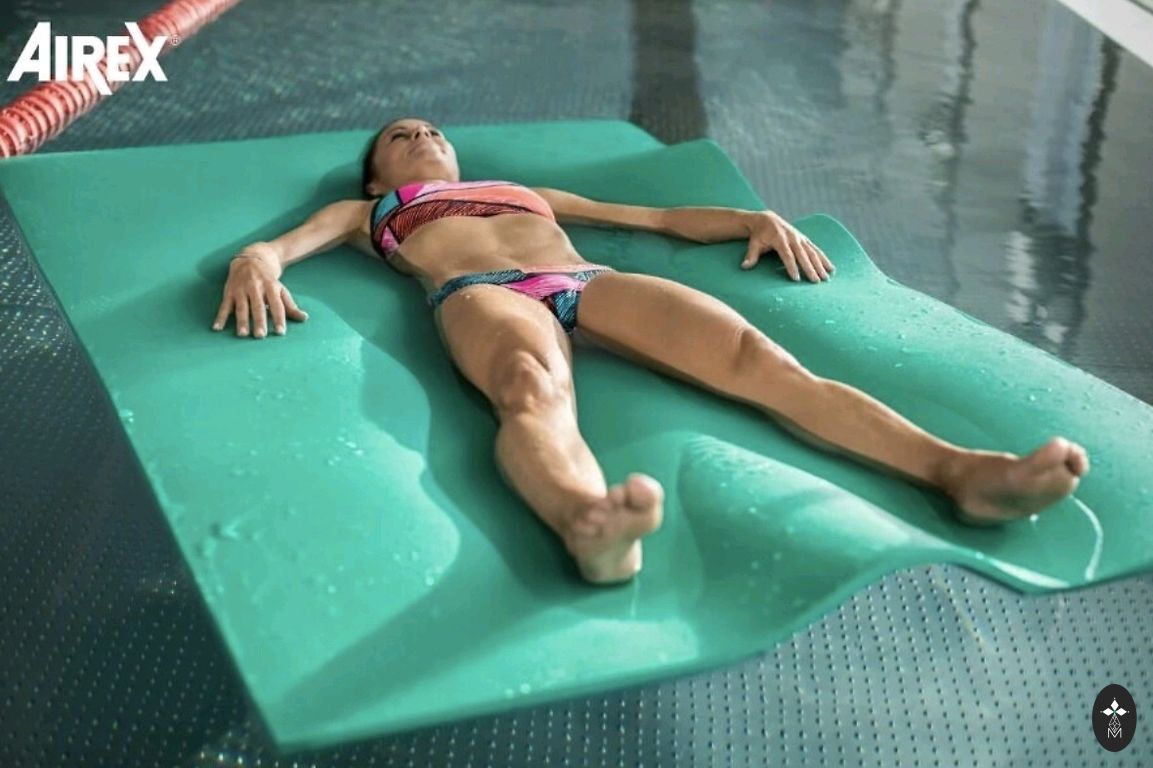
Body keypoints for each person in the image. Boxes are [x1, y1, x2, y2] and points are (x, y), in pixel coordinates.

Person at [212, 118, 1090, 585]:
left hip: (585, 279)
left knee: (763, 364)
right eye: (399, 136)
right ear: (378, 174)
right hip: (480, 294)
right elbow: (280, 247)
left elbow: (657, 219)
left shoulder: (522, 191)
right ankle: (587, 524)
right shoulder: (369, 211)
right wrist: (255, 262)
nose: (420, 134)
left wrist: (747, 218)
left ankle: (960, 472)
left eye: (431, 129)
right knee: (527, 387)